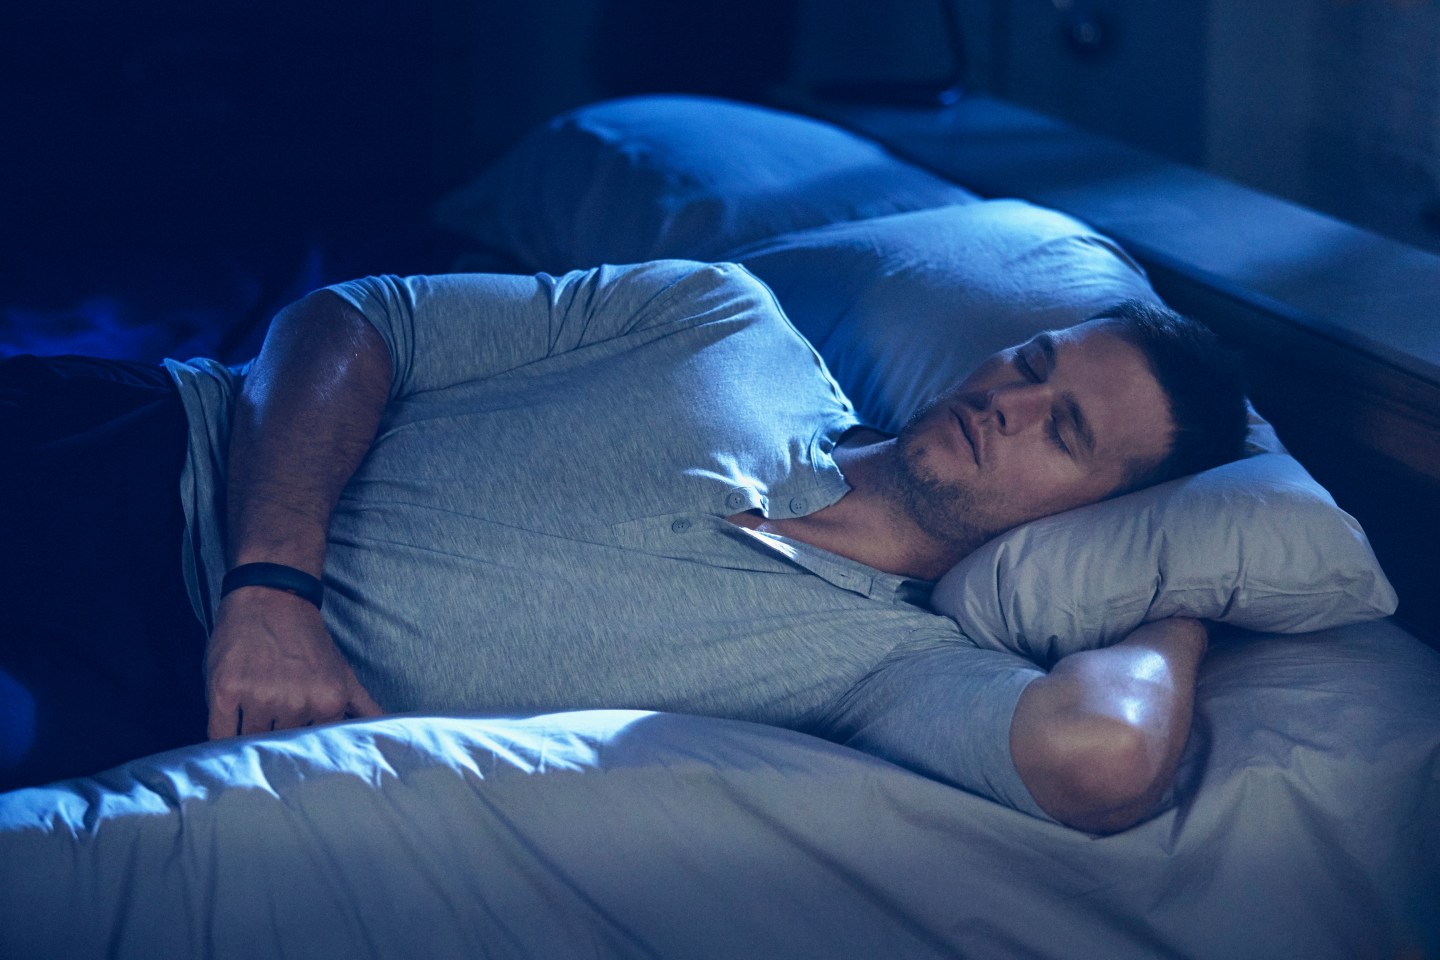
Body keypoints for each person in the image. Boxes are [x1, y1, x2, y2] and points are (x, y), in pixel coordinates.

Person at [0, 260, 1247, 832]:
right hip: (149, 446)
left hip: (167, 692)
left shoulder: (891, 667)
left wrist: (1183, 589)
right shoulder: (728, 320)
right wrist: (272, 586)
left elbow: (1100, 756)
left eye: (1063, 434)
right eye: (1032, 364)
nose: (1008, 403)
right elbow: (352, 318)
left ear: (1096, 516)